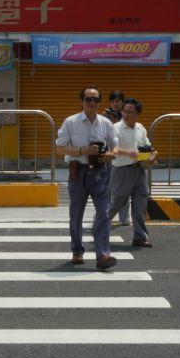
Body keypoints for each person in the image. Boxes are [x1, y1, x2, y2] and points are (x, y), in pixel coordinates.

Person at [55, 86, 117, 269]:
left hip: (100, 172)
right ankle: (77, 250)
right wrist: (82, 151)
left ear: (99, 103)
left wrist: (110, 155)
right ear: (81, 101)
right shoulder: (71, 122)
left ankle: (103, 255)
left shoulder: (106, 123)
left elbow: (115, 147)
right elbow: (59, 148)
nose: (92, 103)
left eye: (95, 100)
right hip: (78, 172)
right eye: (88, 99)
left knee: (104, 214)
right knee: (76, 215)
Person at [107, 98, 153, 248]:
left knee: (141, 204)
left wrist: (152, 155)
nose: (126, 114)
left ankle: (140, 236)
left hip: (138, 171)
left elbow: (147, 146)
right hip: (121, 171)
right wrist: (130, 153)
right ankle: (99, 228)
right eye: (124, 111)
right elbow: (114, 149)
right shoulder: (115, 128)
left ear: (137, 114)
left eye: (130, 112)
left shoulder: (140, 128)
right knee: (117, 203)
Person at [104, 91, 129, 226]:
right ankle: (107, 216)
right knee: (107, 187)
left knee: (123, 188)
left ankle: (124, 218)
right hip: (108, 156)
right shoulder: (103, 117)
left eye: (118, 101)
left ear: (123, 102)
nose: (115, 103)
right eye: (113, 101)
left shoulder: (128, 116)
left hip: (123, 155)